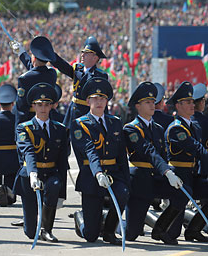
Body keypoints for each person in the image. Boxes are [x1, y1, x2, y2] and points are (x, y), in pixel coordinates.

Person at [123, 82, 187, 245]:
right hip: (139, 181)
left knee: (182, 192)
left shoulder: (158, 128)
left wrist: (170, 171)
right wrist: (167, 171)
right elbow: (149, 151)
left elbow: (163, 155)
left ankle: (160, 229)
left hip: (156, 179)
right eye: (147, 102)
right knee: (132, 234)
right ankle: (101, 220)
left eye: (153, 102)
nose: (152, 105)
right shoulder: (131, 129)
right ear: (138, 106)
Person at [71, 78, 130, 244]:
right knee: (90, 236)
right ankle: (80, 217)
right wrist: (98, 173)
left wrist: (126, 179)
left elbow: (121, 154)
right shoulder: (79, 124)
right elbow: (89, 150)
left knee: (123, 193)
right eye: (95, 98)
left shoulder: (115, 122)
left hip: (113, 173)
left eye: (102, 98)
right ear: (88, 100)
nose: (99, 102)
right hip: (92, 175)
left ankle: (110, 231)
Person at [14, 83, 67, 243]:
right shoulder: (24, 128)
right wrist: (33, 173)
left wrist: (62, 194)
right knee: (31, 232)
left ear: (52, 106)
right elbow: (28, 151)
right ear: (33, 106)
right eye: (39, 104)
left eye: (46, 104)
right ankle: (36, 228)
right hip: (30, 176)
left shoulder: (60, 129)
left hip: (51, 173)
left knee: (54, 185)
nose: (43, 108)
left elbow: (62, 161)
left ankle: (47, 229)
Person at [164, 82, 208, 242]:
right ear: (178, 105)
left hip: (192, 174)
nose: (192, 105)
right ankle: (159, 228)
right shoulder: (177, 128)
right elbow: (197, 149)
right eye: (188, 102)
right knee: (172, 232)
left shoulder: (192, 126)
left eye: (192, 101)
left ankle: (193, 230)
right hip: (179, 174)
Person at [46, 36, 108, 127]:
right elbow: (63, 66)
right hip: (73, 113)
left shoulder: (100, 76)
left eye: (86, 53)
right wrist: (49, 53)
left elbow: (103, 99)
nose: (82, 55)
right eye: (82, 52)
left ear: (95, 58)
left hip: (87, 114)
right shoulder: (77, 69)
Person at [11, 36, 57, 124]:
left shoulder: (24, 78)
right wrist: (21, 53)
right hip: (47, 118)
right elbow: (36, 70)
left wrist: (19, 128)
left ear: (34, 58)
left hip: (30, 120)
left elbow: (21, 107)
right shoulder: (52, 73)